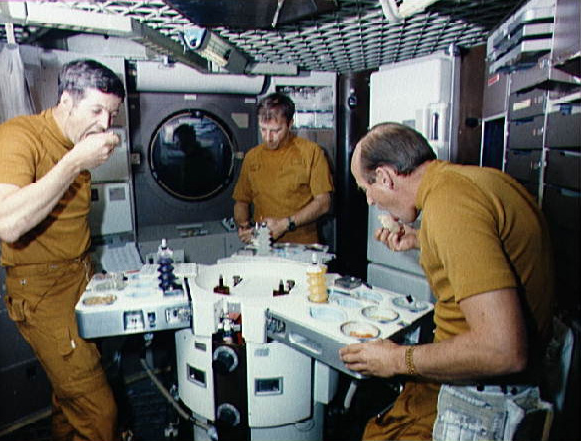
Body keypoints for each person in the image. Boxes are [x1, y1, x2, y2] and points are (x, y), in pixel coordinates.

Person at [339, 122, 554, 440]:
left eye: (366, 189)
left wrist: (396, 359)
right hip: (505, 386)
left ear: (385, 177)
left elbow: (503, 349)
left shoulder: (447, 206)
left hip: (484, 402)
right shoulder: (476, 180)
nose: (370, 201)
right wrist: (421, 239)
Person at [0, 59, 125, 441]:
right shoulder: (17, 136)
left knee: (70, 398)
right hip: (44, 294)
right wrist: (74, 162)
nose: (105, 125)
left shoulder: (74, 145)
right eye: (96, 110)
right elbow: (6, 222)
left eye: (111, 114)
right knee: (100, 413)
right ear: (66, 100)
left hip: (80, 277)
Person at [232, 92, 333, 244]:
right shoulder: (252, 157)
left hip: (302, 245)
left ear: (290, 124)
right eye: (263, 129)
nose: (268, 137)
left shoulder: (311, 152)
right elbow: (241, 201)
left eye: (275, 131)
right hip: (263, 244)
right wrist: (244, 226)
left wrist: (285, 224)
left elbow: (323, 203)